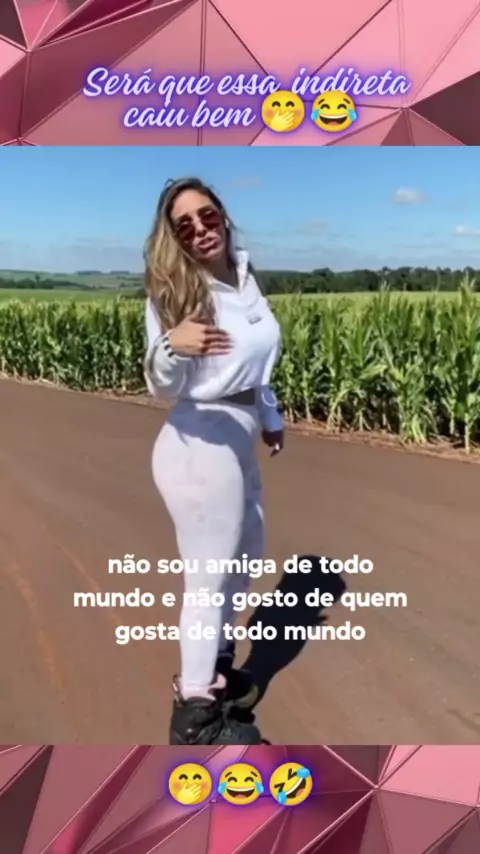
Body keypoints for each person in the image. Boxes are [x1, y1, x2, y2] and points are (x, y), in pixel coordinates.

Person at [143, 177, 284, 746]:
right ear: (174, 238)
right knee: (208, 578)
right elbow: (160, 382)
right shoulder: (174, 293)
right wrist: (172, 345)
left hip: (239, 436)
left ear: (222, 215)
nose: (200, 229)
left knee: (246, 555)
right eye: (185, 226)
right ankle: (195, 716)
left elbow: (260, 363)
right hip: (199, 444)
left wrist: (270, 414)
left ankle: (219, 669)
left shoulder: (244, 279)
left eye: (207, 215)